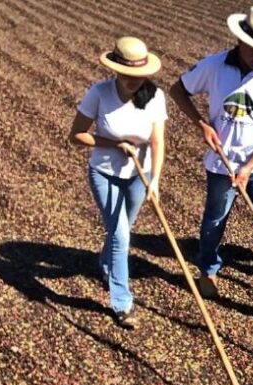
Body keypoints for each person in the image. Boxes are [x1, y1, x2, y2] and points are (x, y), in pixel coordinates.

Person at [169, 6, 253, 321]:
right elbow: (178, 89)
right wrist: (202, 124)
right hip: (221, 164)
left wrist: (250, 167)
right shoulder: (213, 66)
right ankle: (208, 270)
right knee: (215, 221)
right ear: (239, 40)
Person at [68, 37, 167, 328]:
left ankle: (106, 264)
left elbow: (158, 141)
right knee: (121, 235)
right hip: (104, 173)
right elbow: (76, 136)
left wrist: (155, 180)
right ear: (115, 70)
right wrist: (113, 143)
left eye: (138, 75)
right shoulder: (99, 93)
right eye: (127, 75)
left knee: (120, 229)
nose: (133, 80)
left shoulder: (154, 96)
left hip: (140, 174)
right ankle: (122, 303)